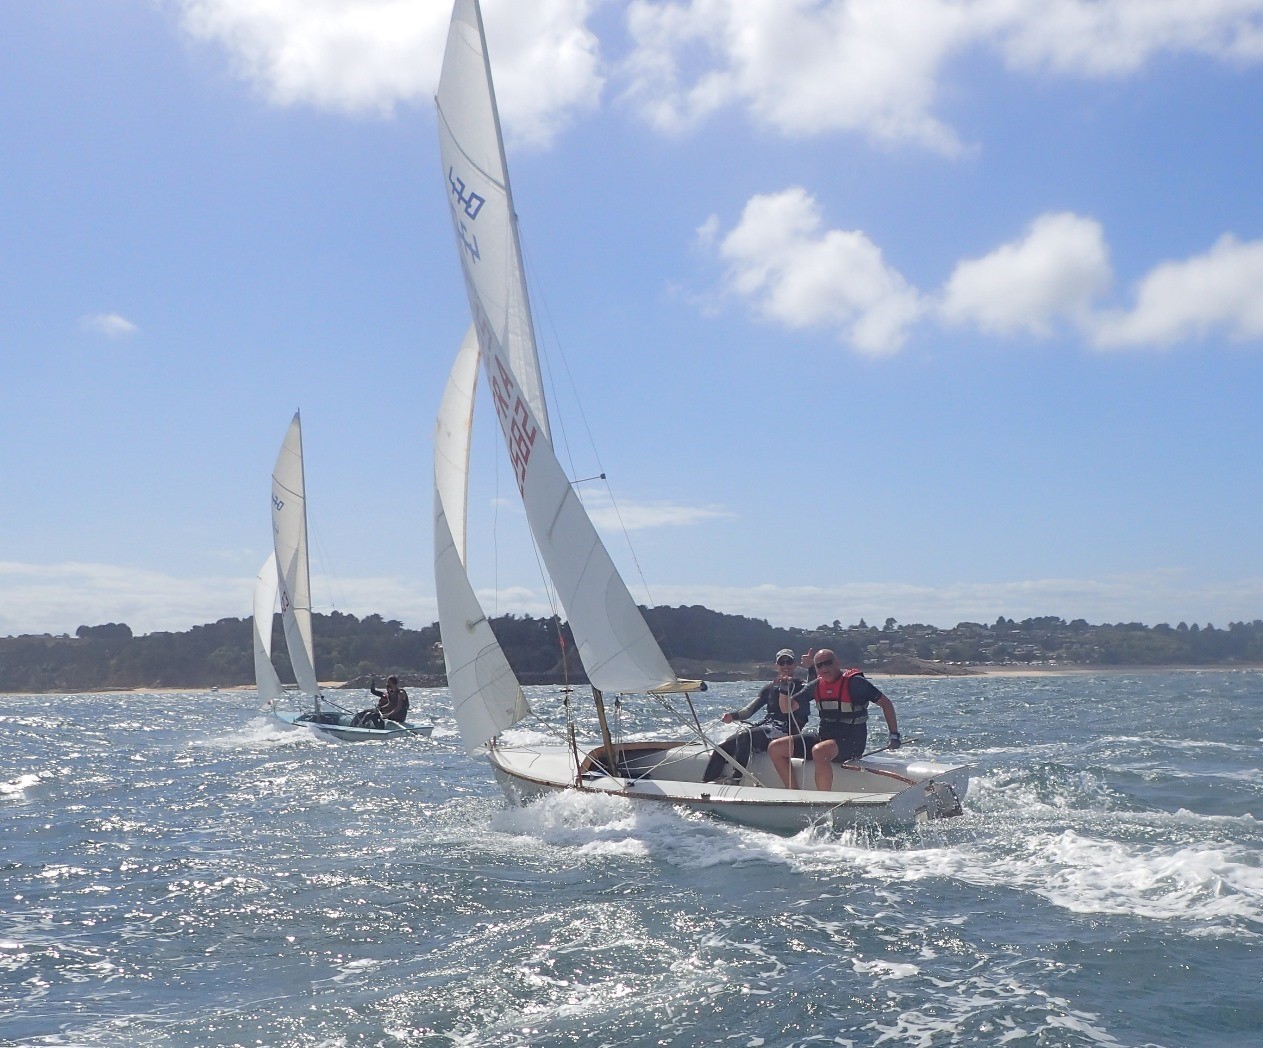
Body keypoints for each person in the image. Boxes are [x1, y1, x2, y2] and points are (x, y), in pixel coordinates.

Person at [768, 648, 900, 791]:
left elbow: (886, 704)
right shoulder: (815, 686)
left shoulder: (855, 683)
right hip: (825, 738)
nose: (824, 668)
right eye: (820, 665)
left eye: (828, 663)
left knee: (819, 751)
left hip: (852, 742)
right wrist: (784, 689)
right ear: (816, 669)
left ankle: (823, 799)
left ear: (837, 662)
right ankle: (793, 793)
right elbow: (787, 708)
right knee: (775, 748)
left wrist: (894, 734)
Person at [702, 649, 810, 783]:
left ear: (795, 665)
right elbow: (748, 711)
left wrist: (810, 668)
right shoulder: (769, 688)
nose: (785, 665)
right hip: (768, 728)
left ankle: (736, 778)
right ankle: (706, 784)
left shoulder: (801, 687)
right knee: (722, 748)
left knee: (745, 736)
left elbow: (814, 686)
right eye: (782, 662)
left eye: (789, 662)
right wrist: (732, 716)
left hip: (786, 733)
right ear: (776, 666)